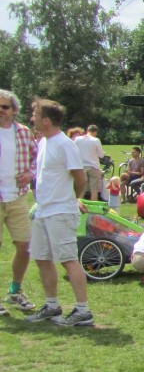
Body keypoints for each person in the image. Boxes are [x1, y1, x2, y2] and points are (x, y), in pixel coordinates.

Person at [24, 98, 95, 326]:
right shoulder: (45, 141)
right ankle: (52, 306)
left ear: (46, 119)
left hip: (61, 212)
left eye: (34, 114)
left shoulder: (65, 144)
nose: (31, 118)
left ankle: (83, 310)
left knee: (68, 260)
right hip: (43, 211)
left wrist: (76, 199)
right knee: (42, 258)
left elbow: (80, 177)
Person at [0, 89, 38, 315]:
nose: (0, 111)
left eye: (4, 107)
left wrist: (30, 174)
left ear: (14, 110)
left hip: (17, 196)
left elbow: (37, 158)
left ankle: (15, 290)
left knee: (24, 246)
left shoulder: (23, 133)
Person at [74, 124, 106, 201]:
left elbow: (74, 151)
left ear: (87, 130)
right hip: (93, 166)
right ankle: (93, 206)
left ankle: (79, 204)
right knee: (94, 189)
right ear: (95, 132)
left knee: (82, 188)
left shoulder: (77, 139)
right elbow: (101, 155)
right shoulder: (96, 140)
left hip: (81, 166)